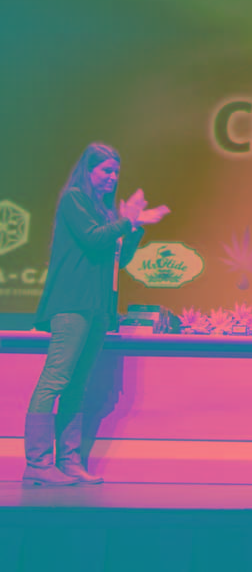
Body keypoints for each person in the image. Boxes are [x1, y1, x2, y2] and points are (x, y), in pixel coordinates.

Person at [23, 143, 169, 487]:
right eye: (106, 170)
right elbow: (92, 240)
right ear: (88, 171)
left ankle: (69, 462)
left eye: (116, 172)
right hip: (72, 304)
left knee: (77, 386)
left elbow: (121, 258)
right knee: (55, 380)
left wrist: (134, 228)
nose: (113, 177)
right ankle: (38, 463)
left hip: (99, 308)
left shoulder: (104, 212)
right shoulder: (74, 199)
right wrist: (127, 220)